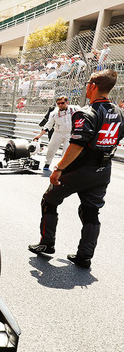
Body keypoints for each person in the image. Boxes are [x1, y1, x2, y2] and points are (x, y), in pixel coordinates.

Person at [28, 69, 124, 268]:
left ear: (92, 87)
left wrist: (59, 168)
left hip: (79, 169)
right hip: (103, 170)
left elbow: (77, 145)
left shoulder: (86, 113)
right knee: (91, 212)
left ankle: (46, 244)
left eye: (87, 84)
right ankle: (84, 256)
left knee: (49, 200)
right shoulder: (120, 112)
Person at [32, 96, 79, 171]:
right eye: (58, 103)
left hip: (70, 133)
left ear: (67, 102)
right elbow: (48, 125)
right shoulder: (54, 113)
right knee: (51, 149)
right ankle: (47, 163)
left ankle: (63, 167)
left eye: (62, 103)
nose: (60, 105)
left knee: (66, 151)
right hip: (58, 133)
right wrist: (39, 136)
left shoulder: (75, 109)